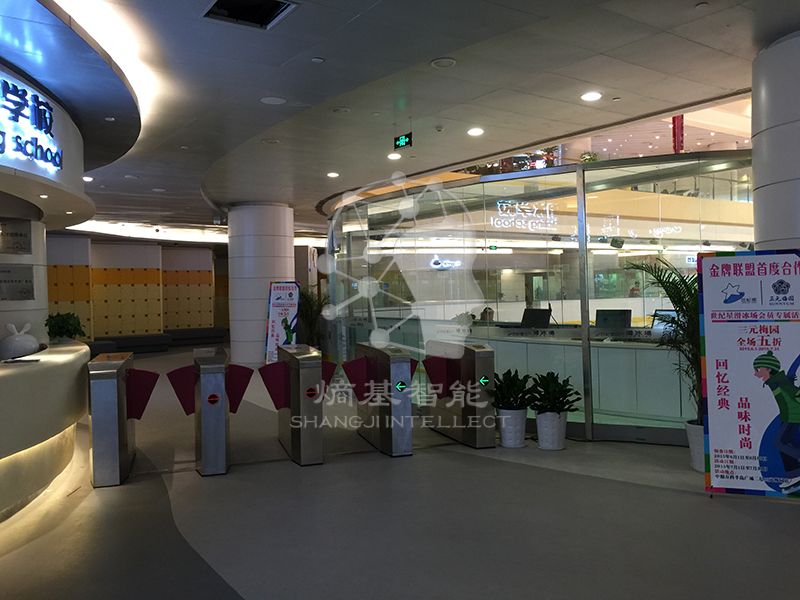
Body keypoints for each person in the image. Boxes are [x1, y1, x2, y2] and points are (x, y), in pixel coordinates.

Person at [753, 351, 800, 493]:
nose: (755, 373)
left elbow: (795, 393)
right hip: (788, 416)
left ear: (768, 369)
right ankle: (794, 474)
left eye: (758, 369)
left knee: (779, 442)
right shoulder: (776, 381)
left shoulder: (779, 381)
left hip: (794, 416)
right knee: (784, 443)